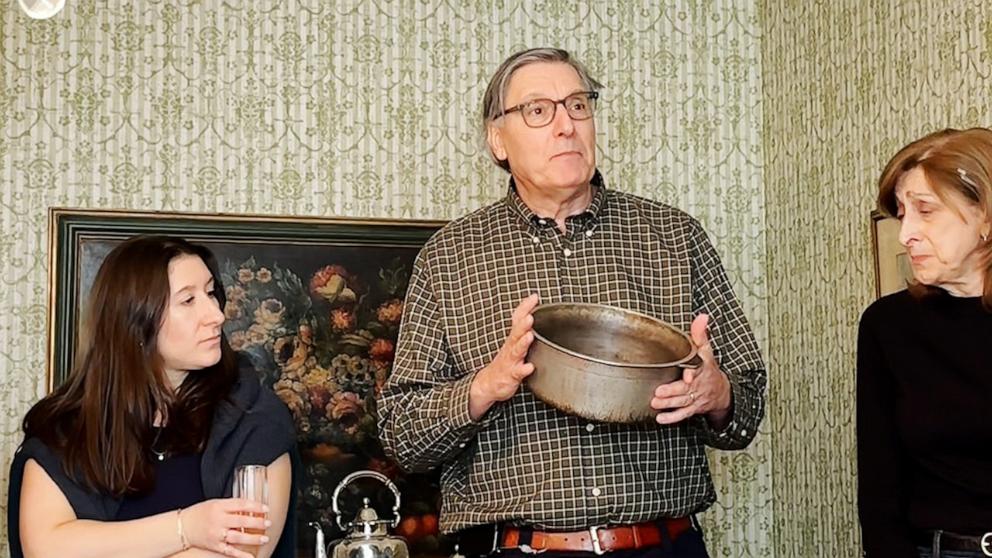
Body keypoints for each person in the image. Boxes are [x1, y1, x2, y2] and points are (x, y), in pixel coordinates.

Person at [377, 47, 766, 558]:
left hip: (664, 544)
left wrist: (717, 395)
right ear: (498, 140)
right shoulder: (448, 258)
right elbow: (403, 436)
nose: (566, 125)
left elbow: (749, 405)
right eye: (538, 110)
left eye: (578, 105)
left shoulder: (675, 237)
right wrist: (485, 386)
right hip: (516, 549)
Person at [7, 235, 299, 558]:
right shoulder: (63, 432)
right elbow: (46, 549)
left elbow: (241, 553)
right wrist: (188, 527)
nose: (217, 315)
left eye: (211, 293)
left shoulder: (256, 419)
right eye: (188, 301)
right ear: (135, 323)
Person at [858, 127, 992, 558]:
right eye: (902, 213)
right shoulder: (888, 326)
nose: (905, 234)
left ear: (986, 215)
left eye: (926, 211)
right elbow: (880, 492)